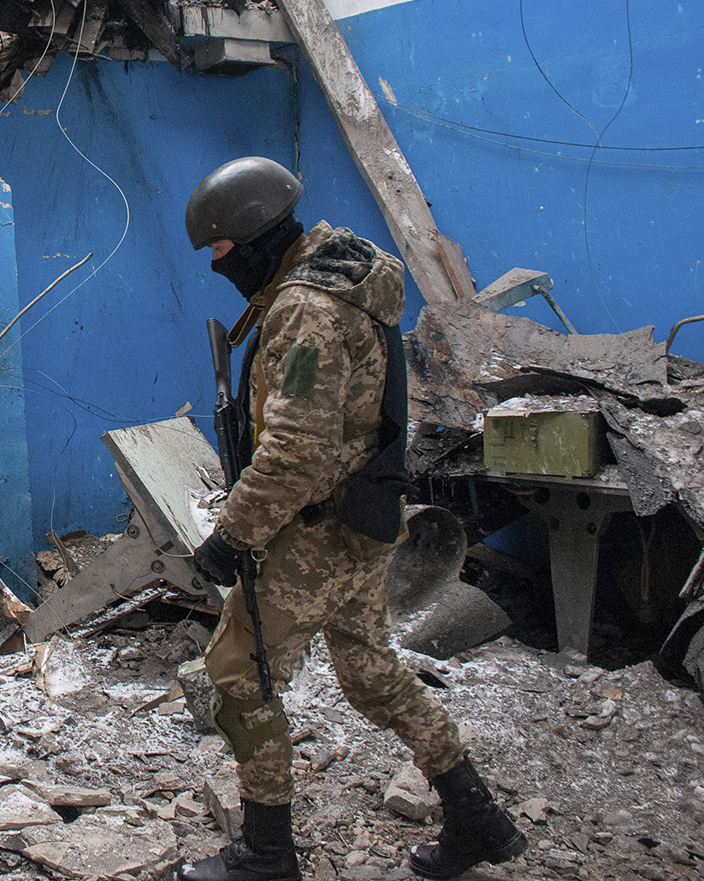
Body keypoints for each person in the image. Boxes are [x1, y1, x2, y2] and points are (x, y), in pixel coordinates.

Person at [167, 156, 526, 881]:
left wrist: (231, 534)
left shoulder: (305, 309)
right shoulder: (350, 274)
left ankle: (266, 854)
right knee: (370, 672)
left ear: (256, 234)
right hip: (366, 516)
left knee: (235, 675)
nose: (214, 263)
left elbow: (297, 448)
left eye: (221, 248)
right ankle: (476, 815)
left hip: (316, 533)